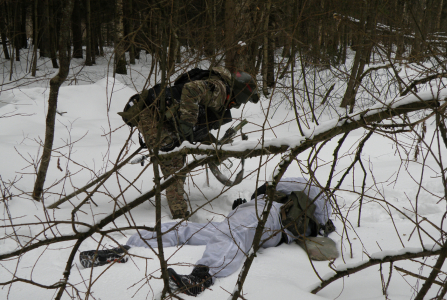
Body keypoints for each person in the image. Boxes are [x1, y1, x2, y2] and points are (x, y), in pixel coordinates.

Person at [79, 177, 333, 296]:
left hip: (269, 223)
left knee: (235, 235)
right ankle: (126, 248)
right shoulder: (277, 193)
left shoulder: (306, 196)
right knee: (186, 228)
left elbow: (317, 224)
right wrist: (245, 206)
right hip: (244, 218)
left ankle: (203, 276)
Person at [118, 67, 259, 219]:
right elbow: (190, 90)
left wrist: (215, 145)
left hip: (162, 117)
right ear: (240, 94)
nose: (238, 105)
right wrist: (188, 123)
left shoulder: (218, 86)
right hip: (150, 115)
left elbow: (198, 121)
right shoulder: (220, 89)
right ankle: (180, 219)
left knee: (199, 148)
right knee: (174, 164)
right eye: (243, 100)